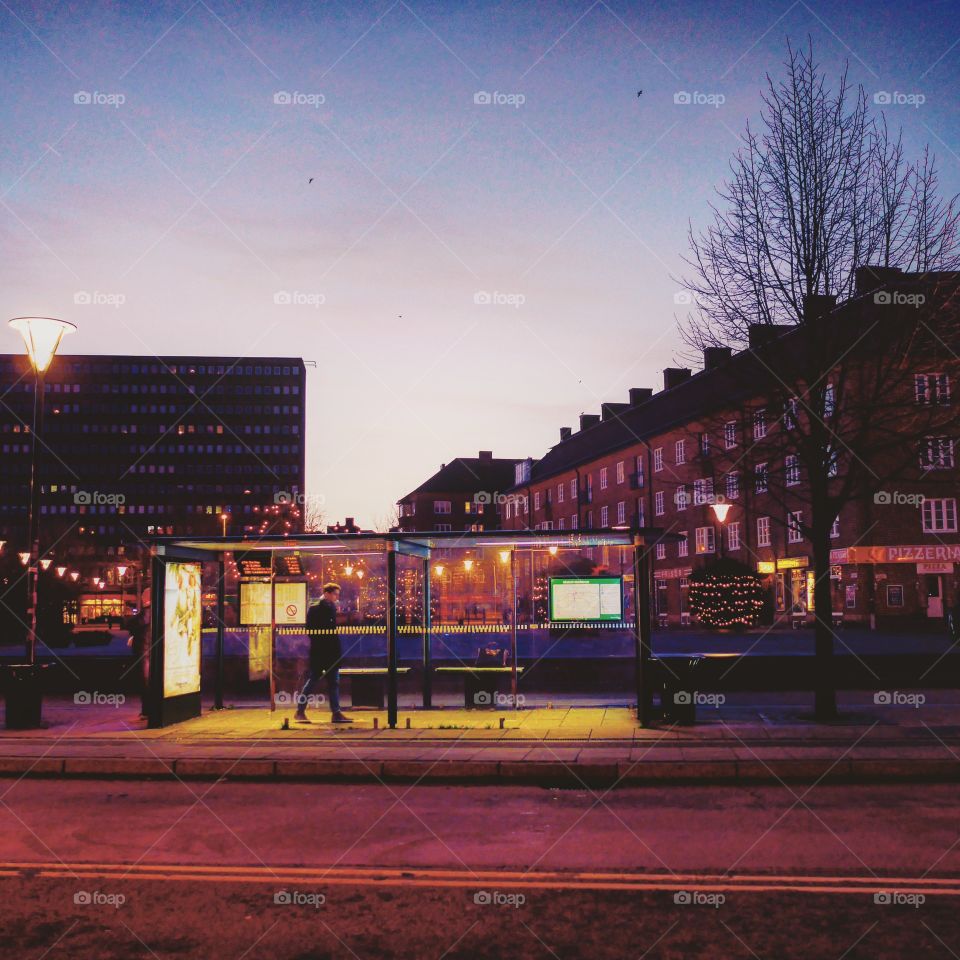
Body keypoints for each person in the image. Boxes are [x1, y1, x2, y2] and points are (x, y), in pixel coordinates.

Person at [294, 582, 352, 723]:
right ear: (327, 593)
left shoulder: (326, 608)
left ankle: (332, 712)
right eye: (335, 594)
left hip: (323, 651)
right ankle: (304, 711)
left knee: (323, 681)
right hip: (323, 652)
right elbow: (314, 630)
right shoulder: (319, 609)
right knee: (322, 681)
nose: (337, 597)